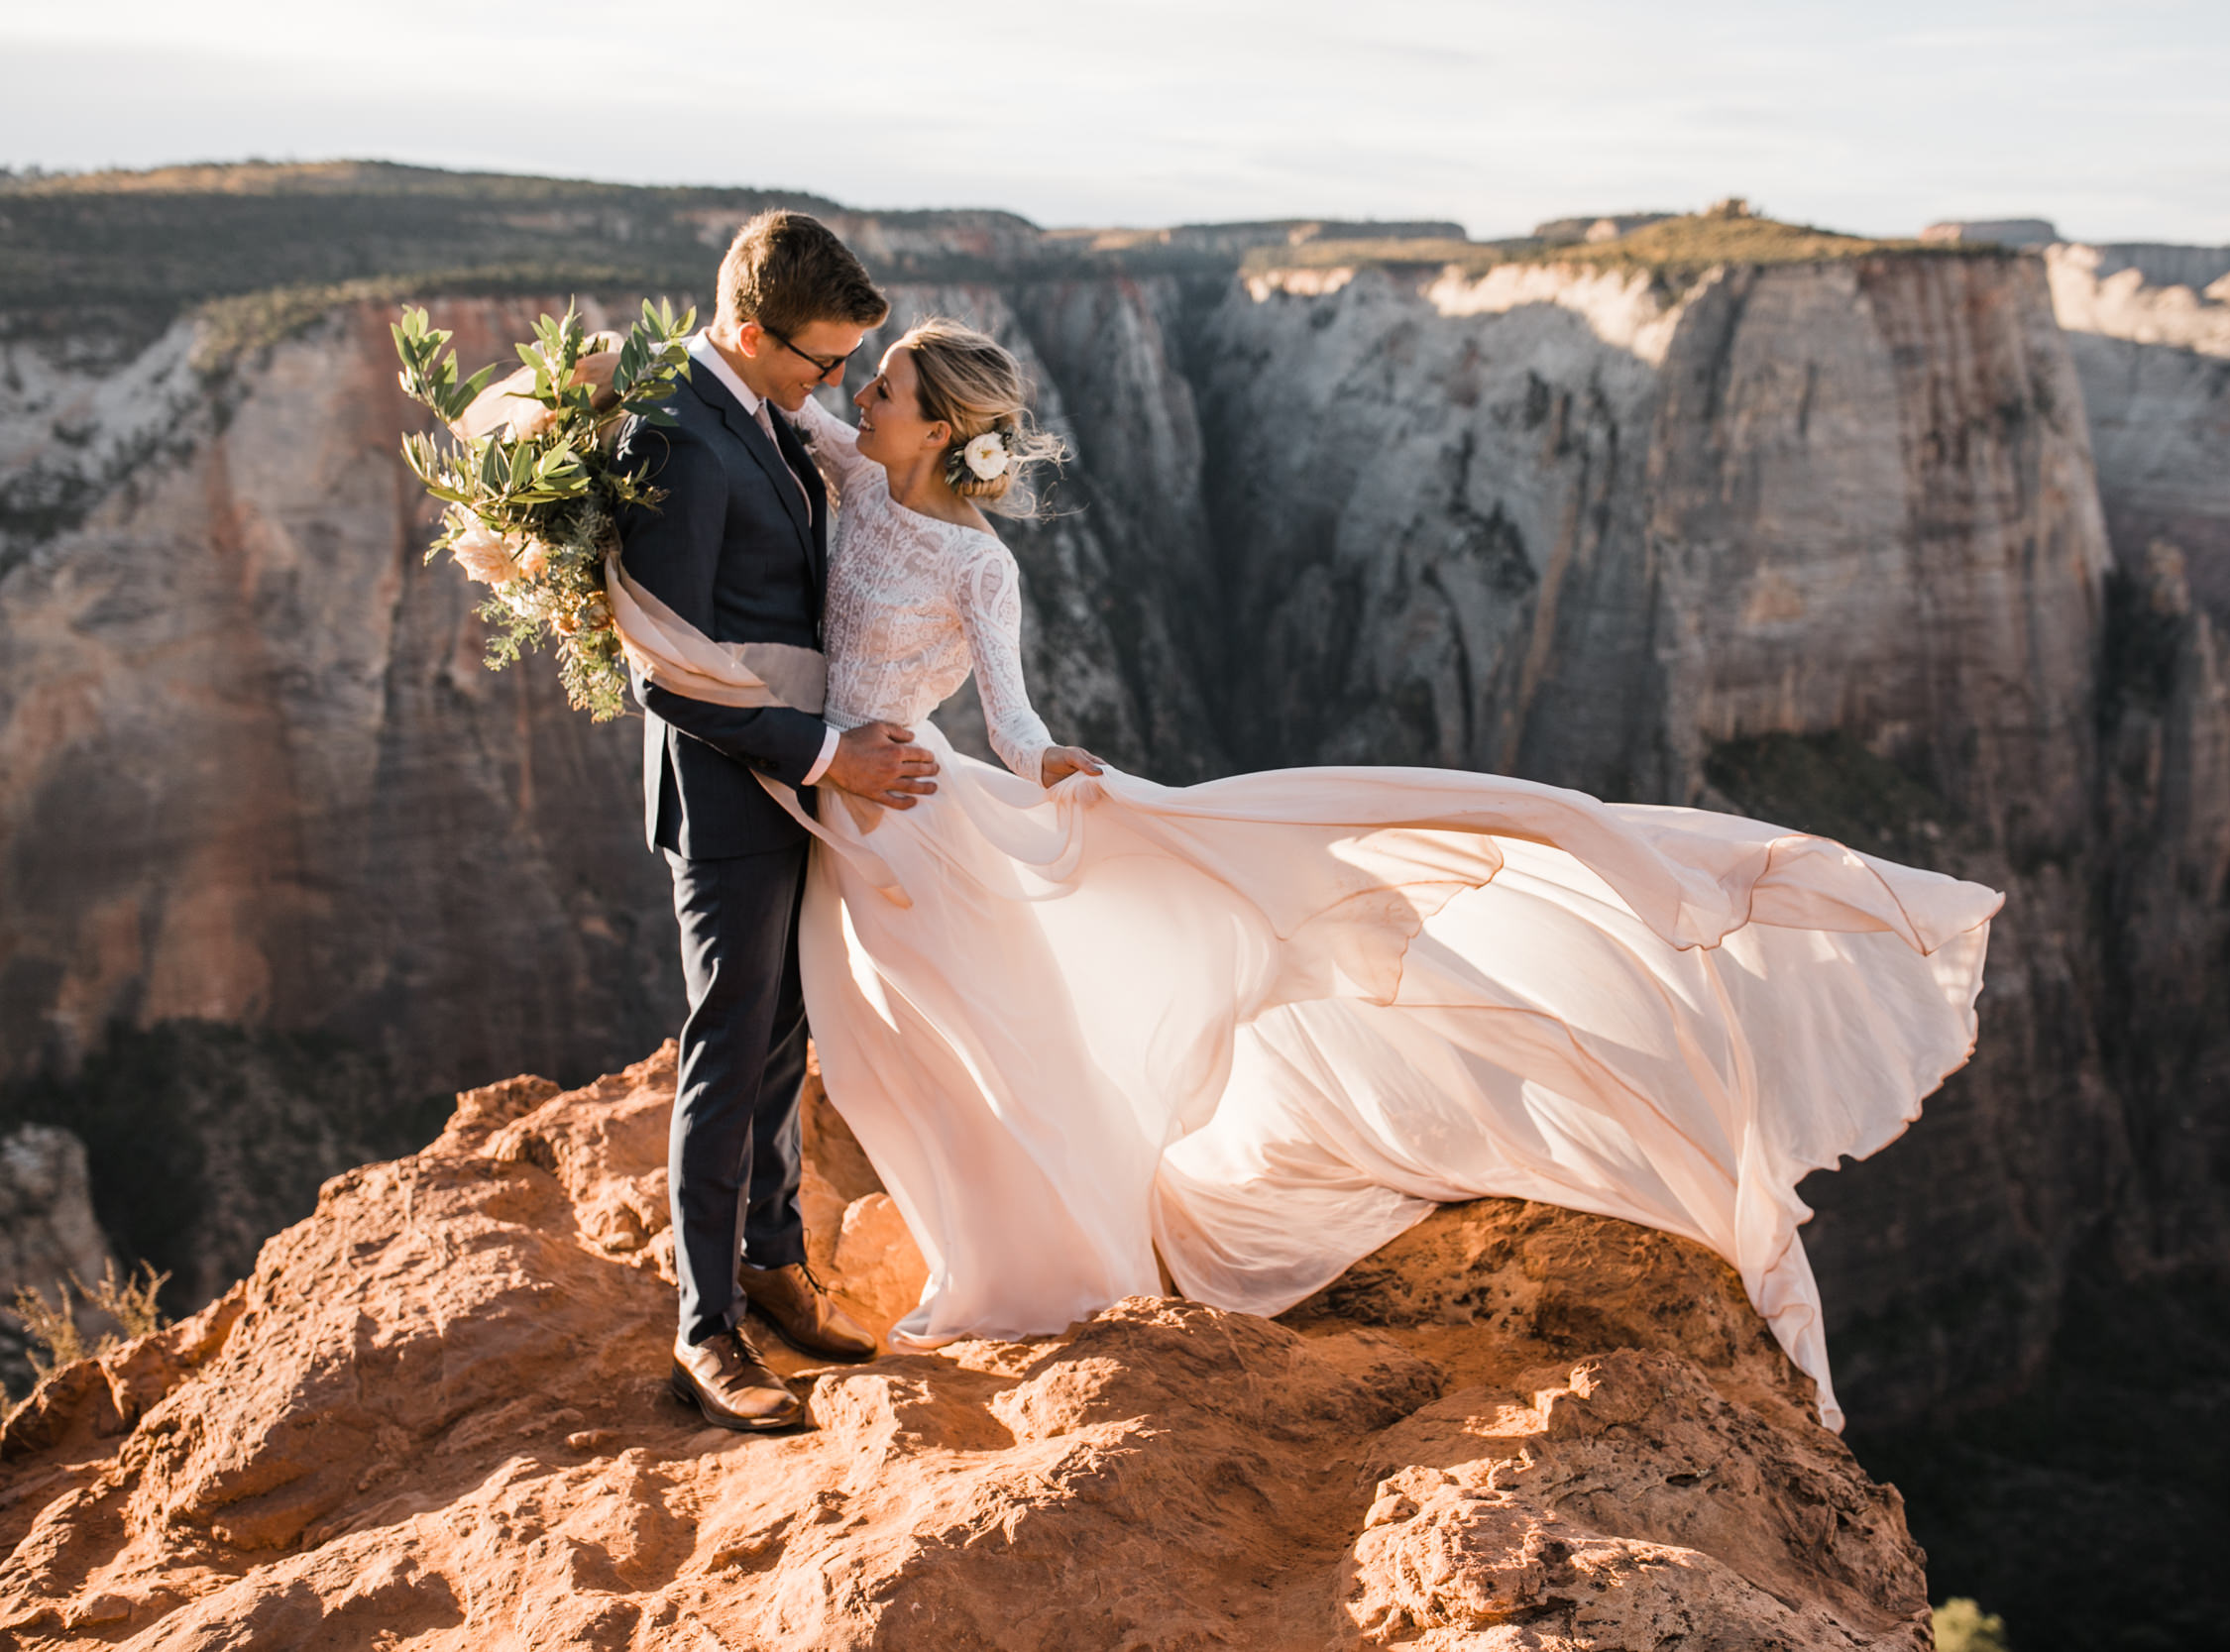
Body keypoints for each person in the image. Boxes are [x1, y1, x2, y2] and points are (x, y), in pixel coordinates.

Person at [607, 313, 2005, 1435]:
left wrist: (1056, 771)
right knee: (841, 1041)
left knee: (949, 1049)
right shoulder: (845, 466)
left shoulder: (982, 568)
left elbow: (1015, 722)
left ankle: (1020, 1263)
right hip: (821, 805)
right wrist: (567, 431)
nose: (864, 393)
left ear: (942, 427)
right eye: (864, 376)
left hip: (914, 821)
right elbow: (742, 390)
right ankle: (774, 1266)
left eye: (892, 384)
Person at [608, 212, 940, 1432]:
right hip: (729, 792)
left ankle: (770, 1259)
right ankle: (706, 1328)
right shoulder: (684, 438)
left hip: (800, 781)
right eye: (822, 362)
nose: (839, 386)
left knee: (784, 1029)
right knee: (729, 1037)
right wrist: (824, 752)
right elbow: (663, 664)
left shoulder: (756, 408)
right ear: (752, 333)